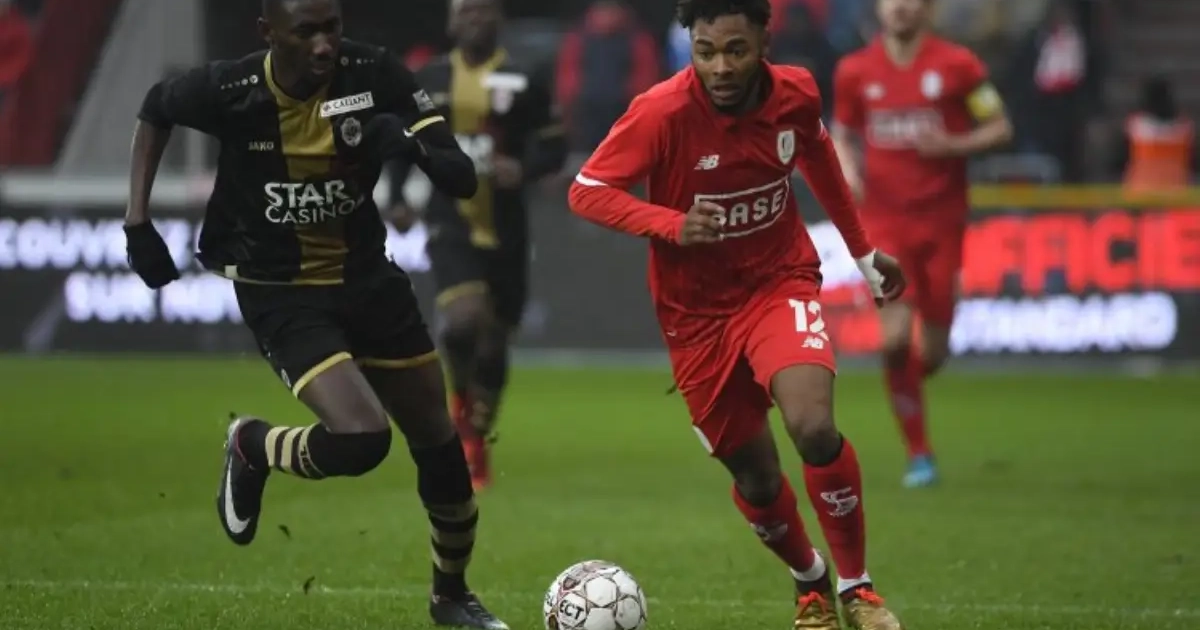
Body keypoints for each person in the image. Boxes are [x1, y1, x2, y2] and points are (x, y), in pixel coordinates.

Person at [122, 1, 507, 627]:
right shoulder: (232, 89)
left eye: (333, 28)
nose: (325, 45)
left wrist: (409, 143)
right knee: (362, 439)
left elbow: (461, 177)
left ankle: (451, 596)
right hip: (281, 289)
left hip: (368, 280)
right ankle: (253, 444)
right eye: (306, 32)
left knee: (439, 445)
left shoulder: (374, 73)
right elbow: (156, 107)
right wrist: (137, 222)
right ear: (268, 33)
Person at [567, 1, 907, 628]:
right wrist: (671, 223)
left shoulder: (796, 93)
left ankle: (858, 590)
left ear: (763, 44)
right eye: (706, 53)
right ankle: (809, 582)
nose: (720, 67)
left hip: (779, 282)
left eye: (735, 51)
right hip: (696, 316)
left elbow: (820, 158)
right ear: (690, 50)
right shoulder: (660, 112)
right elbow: (586, 191)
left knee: (812, 425)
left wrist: (862, 252)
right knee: (756, 478)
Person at [831, 0, 1012, 488]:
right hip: (882, 223)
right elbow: (841, 132)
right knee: (893, 340)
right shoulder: (855, 71)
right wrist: (848, 170)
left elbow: (999, 127)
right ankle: (919, 453)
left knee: (931, 355)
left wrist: (953, 146)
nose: (901, 7)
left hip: (942, 223)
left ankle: (909, 388)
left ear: (928, 9)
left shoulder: (959, 66)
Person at [387, 0, 566, 491]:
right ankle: (460, 407)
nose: (475, 19)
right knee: (464, 320)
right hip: (450, 221)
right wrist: (398, 196)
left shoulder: (524, 77)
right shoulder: (429, 78)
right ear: (450, 20)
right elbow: (402, 140)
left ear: (499, 19)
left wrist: (523, 168)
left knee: (494, 340)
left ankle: (476, 433)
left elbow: (553, 145)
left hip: (507, 228)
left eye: (484, 10)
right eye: (465, 10)